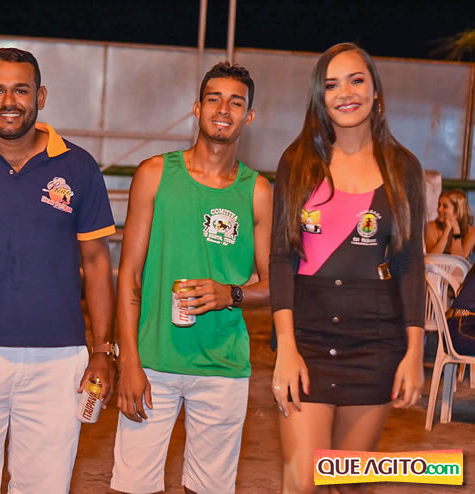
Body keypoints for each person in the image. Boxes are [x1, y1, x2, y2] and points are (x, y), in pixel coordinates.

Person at [0, 48, 117, 494]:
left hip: (60, 359)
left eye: (21, 90)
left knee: (44, 487)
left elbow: (96, 262)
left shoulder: (78, 166)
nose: (9, 101)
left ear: (41, 96)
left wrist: (102, 350)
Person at [270, 42, 425, 494]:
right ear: (320, 96)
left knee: (349, 483)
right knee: (301, 482)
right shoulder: (298, 162)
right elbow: (281, 257)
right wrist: (286, 347)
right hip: (308, 341)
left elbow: (410, 263)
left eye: (356, 80)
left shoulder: (403, 167)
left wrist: (414, 354)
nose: (346, 93)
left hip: (375, 344)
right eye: (331, 84)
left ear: (375, 90)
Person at [111, 62, 272, 494]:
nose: (223, 109)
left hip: (222, 367)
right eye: (214, 99)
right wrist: (129, 362)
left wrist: (229, 294)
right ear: (197, 108)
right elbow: (129, 276)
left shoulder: (257, 191)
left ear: (248, 116)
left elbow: (273, 287)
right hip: (153, 363)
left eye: (235, 102)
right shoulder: (155, 174)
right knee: (131, 488)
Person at [426, 189, 475, 258]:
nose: (439, 209)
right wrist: (446, 231)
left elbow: (460, 260)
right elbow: (432, 257)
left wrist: (456, 230)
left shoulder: (472, 232)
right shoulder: (431, 227)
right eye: (439, 205)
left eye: (445, 206)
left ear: (457, 211)